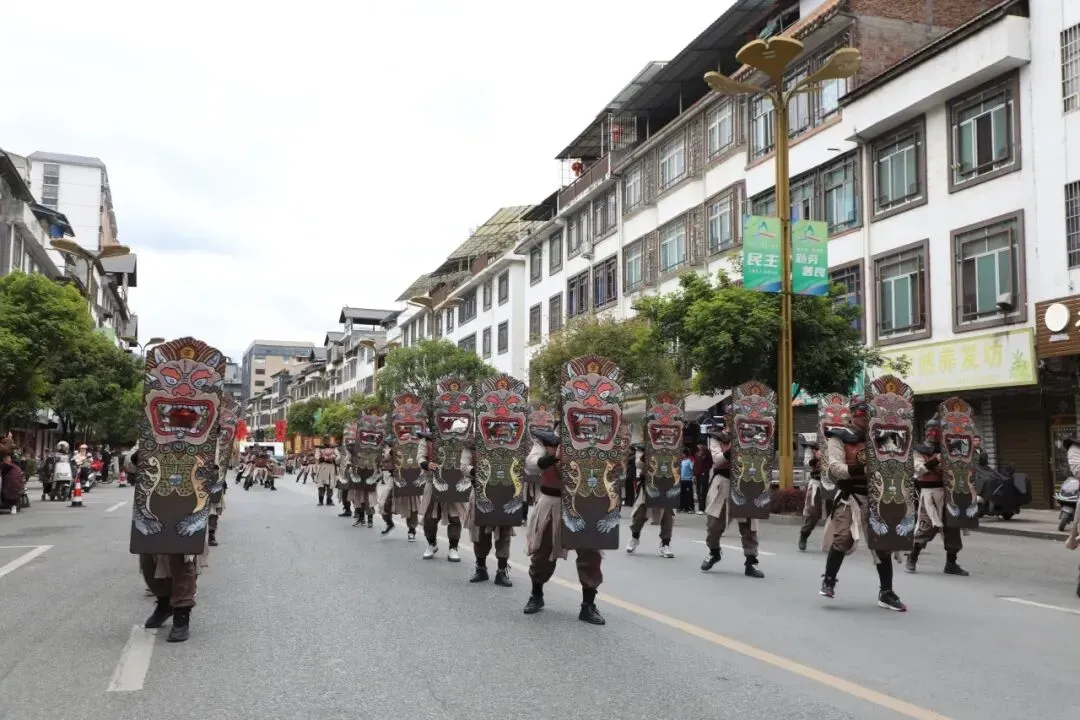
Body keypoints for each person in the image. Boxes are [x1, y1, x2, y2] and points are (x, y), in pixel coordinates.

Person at [819, 398, 906, 611]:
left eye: (870, 414)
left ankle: (886, 592)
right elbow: (835, 467)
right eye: (862, 413)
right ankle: (829, 580)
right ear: (853, 414)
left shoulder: (883, 437)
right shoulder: (839, 437)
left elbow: (895, 462)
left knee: (882, 543)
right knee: (843, 537)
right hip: (851, 496)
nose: (866, 418)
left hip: (877, 496)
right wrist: (862, 470)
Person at [522, 428, 604, 624]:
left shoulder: (600, 439)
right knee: (543, 553)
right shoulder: (547, 441)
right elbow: (531, 465)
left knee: (591, 555)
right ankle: (536, 594)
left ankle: (588, 605)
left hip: (585, 503)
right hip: (553, 503)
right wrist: (553, 457)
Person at [129, 450, 199, 642]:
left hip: (187, 505)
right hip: (155, 505)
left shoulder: (198, 440)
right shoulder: (153, 439)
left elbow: (211, 468)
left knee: (181, 561)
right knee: (148, 560)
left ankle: (182, 613)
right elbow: (133, 463)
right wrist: (143, 453)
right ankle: (164, 601)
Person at [700, 427, 764, 578]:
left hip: (746, 481)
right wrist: (733, 448)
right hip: (724, 481)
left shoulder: (756, 435)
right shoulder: (718, 437)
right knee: (714, 523)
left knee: (749, 526)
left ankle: (751, 561)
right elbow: (717, 460)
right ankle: (714, 551)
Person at [906, 419, 967, 576]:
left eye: (936, 430)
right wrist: (936, 460)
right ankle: (912, 557)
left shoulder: (951, 449)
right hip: (930, 495)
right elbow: (919, 469)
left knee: (953, 529)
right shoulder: (918, 450)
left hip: (949, 494)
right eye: (930, 429)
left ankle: (951, 564)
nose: (932, 433)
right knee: (926, 528)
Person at [417, 430, 465, 562]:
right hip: (433, 481)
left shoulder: (460, 437)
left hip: (454, 481)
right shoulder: (427, 439)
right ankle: (431, 543)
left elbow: (465, 458)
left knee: (454, 517)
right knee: (430, 518)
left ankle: (453, 548)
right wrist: (426, 464)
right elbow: (420, 457)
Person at [626, 443, 675, 559]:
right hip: (647, 487)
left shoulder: (671, 448)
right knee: (639, 515)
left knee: (667, 516)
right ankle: (635, 537)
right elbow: (639, 464)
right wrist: (647, 455)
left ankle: (665, 544)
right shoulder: (642, 448)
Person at [381, 437, 419, 540]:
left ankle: (412, 530)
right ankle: (389, 523)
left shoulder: (416, 449)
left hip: (411, 480)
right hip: (396, 480)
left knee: (412, 507)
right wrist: (391, 451)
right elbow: (385, 459)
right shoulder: (394, 449)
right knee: (384, 503)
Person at [798, 441, 825, 551]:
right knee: (813, 513)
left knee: (834, 514)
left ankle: (835, 543)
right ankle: (804, 535)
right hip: (817, 483)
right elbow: (807, 465)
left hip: (833, 483)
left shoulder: (837, 441)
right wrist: (816, 458)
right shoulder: (812, 446)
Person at [693, 443, 711, 514]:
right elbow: (695, 465)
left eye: (700, 446)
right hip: (697, 474)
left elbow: (710, 464)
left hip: (704, 474)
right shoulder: (697, 454)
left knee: (703, 491)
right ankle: (700, 508)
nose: (699, 447)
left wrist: (705, 471)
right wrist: (694, 475)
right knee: (698, 491)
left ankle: (702, 508)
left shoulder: (707, 455)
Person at [679, 447, 695, 513]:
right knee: (682, 494)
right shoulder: (682, 461)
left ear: (685, 454)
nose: (682, 455)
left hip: (688, 480)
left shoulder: (689, 461)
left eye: (683, 453)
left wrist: (693, 477)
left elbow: (692, 469)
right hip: (682, 480)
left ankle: (690, 508)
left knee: (689, 494)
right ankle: (683, 507)